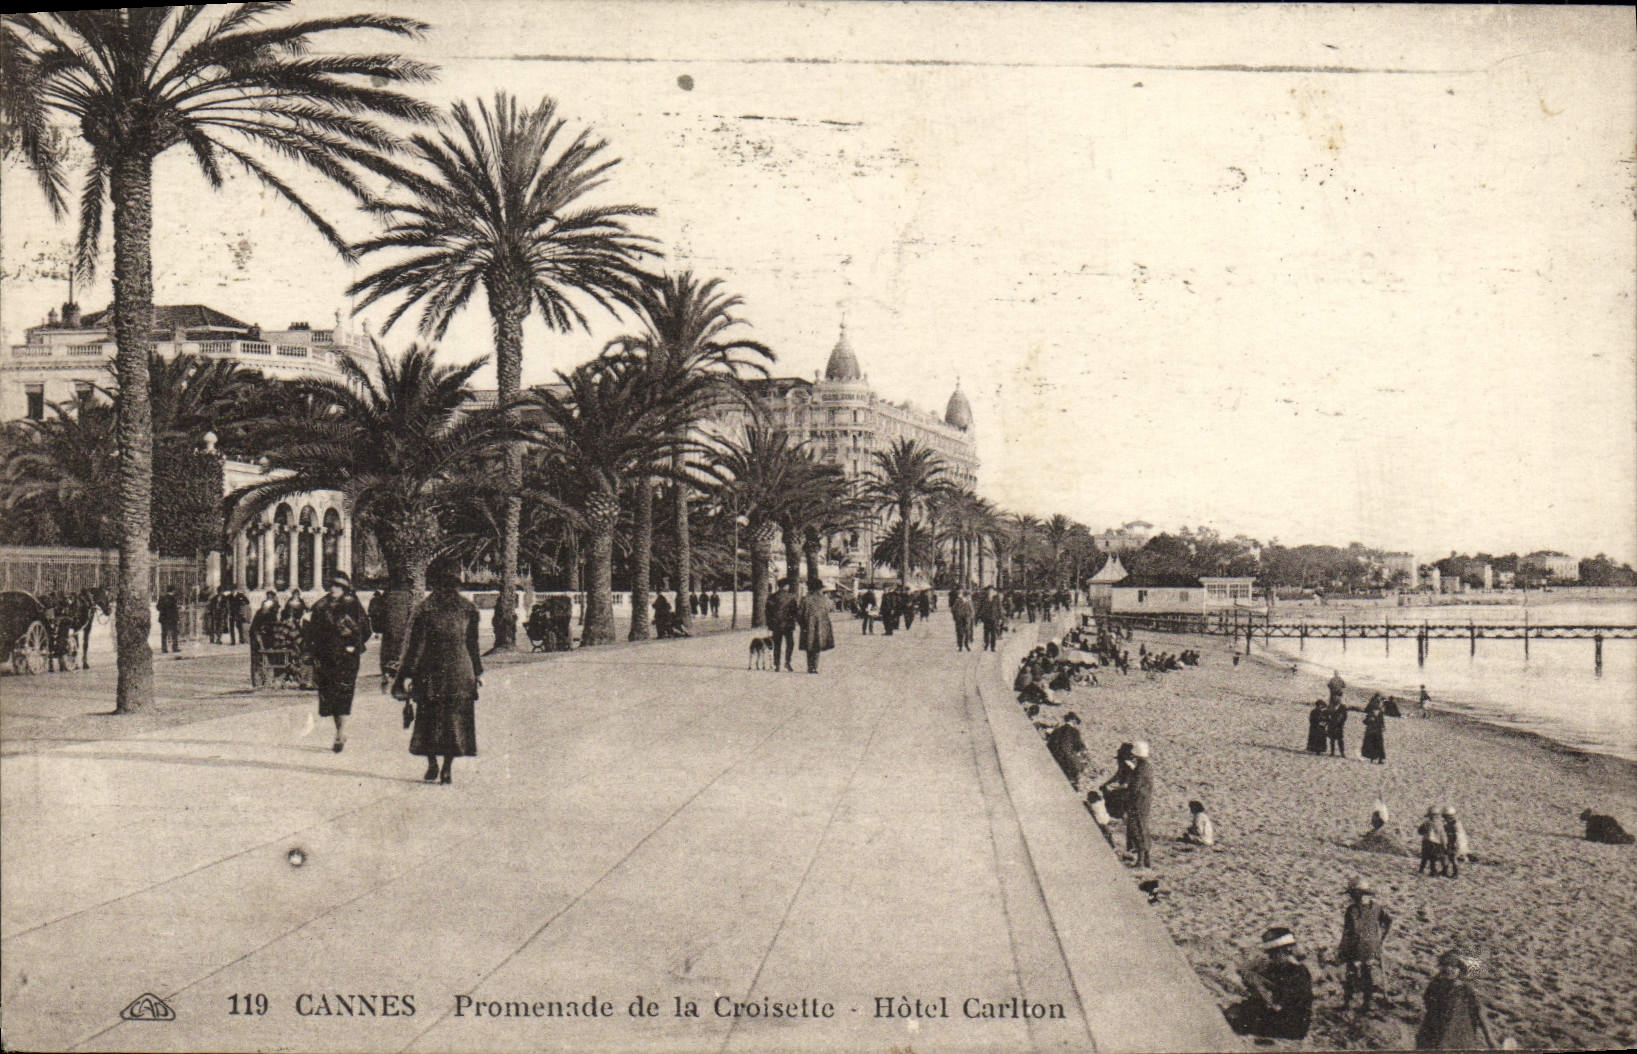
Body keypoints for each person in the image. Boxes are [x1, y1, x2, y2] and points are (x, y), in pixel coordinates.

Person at [392, 565, 482, 785]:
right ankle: (447, 769)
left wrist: (407, 674)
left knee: (428, 720)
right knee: (454, 722)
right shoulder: (468, 609)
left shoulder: (425, 609)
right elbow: (473, 645)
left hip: (430, 672)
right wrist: (477, 672)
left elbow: (417, 647)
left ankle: (432, 764)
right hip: (460, 672)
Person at [307, 571, 372, 753]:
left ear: (345, 588)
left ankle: (340, 733)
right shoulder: (321, 606)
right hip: (325, 657)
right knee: (329, 695)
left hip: (346, 657)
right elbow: (312, 631)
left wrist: (353, 645)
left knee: (344, 692)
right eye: (331, 585)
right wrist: (312, 651)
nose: (333, 588)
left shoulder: (353, 606)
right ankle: (339, 730)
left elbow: (366, 629)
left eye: (337, 586)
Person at [1225, 927, 1313, 1041]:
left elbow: (1280, 1005)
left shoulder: (1298, 972)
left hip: (1290, 1025)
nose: (1271, 958)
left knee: (1238, 1019)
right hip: (1278, 1017)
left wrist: (1261, 990)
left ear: (1286, 950)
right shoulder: (1278, 968)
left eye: (1274, 954)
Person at [1416, 951, 1495, 1050]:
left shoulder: (1465, 989)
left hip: (1458, 1037)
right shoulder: (1435, 986)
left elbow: (1479, 1012)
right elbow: (1428, 1003)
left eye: (1453, 966)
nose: (1449, 969)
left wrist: (1490, 1040)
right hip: (1434, 1036)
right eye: (1446, 965)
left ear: (1460, 970)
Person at [1338, 876, 1393, 1011]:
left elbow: (1349, 932)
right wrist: (1381, 939)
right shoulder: (1377, 907)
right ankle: (1366, 1004)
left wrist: (1342, 949)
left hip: (1356, 947)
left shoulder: (1352, 910)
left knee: (1351, 973)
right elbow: (1388, 922)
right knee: (1368, 973)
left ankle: (1347, 1003)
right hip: (1372, 947)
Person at [1125, 741, 1154, 869]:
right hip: (1145, 801)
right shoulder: (1148, 766)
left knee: (1137, 829)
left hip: (1137, 802)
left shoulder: (1139, 768)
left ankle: (1141, 861)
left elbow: (1135, 787)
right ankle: (1146, 859)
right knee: (1144, 827)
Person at [797, 580, 835, 674]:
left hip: (807, 625)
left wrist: (802, 623)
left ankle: (810, 666)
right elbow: (830, 609)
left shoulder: (805, 599)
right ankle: (815, 666)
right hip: (821, 625)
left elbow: (799, 613)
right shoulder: (825, 599)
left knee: (809, 646)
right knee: (817, 645)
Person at [248, 593, 280, 686]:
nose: (277, 611)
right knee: (259, 660)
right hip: (258, 638)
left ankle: (262, 680)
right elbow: (258, 630)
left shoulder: (262, 613)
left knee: (262, 660)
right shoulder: (267, 615)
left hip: (262, 638)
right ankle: (259, 681)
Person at [766, 580, 798, 672]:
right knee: (790, 644)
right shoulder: (791, 597)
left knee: (777, 644)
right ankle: (787, 662)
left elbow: (767, 611)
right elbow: (794, 611)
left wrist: (769, 624)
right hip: (788, 624)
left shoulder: (772, 597)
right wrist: (794, 621)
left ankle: (777, 664)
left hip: (776, 624)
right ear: (786, 586)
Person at [1418, 807, 1449, 876]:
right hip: (1436, 843)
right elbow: (1442, 836)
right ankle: (1433, 871)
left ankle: (1421, 869)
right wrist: (1444, 845)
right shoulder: (1440, 825)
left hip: (1426, 842)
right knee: (1433, 858)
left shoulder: (1426, 823)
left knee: (1424, 857)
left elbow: (1420, 831)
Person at [1442, 807, 1469, 878]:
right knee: (1446, 857)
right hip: (1451, 844)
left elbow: (1457, 837)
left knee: (1453, 859)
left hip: (1455, 845)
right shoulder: (1451, 824)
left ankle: (1455, 873)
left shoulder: (1456, 826)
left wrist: (1455, 845)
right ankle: (1444, 871)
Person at [1362, 695, 1388, 763]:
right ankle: (1374, 759)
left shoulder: (1378, 712)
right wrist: (1370, 720)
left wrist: (1383, 727)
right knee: (1374, 744)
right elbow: (1365, 721)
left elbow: (1382, 721)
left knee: (1378, 744)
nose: (1378, 704)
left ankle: (1378, 759)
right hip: (1373, 730)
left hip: (1375, 730)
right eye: (1377, 703)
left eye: (1378, 703)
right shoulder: (1373, 712)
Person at [157, 585, 181, 654]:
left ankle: (164, 649)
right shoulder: (173, 598)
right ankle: (174, 648)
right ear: (173, 591)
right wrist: (177, 618)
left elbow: (158, 607)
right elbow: (175, 610)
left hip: (164, 618)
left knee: (164, 634)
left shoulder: (162, 598)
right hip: (172, 619)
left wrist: (163, 611)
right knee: (174, 633)